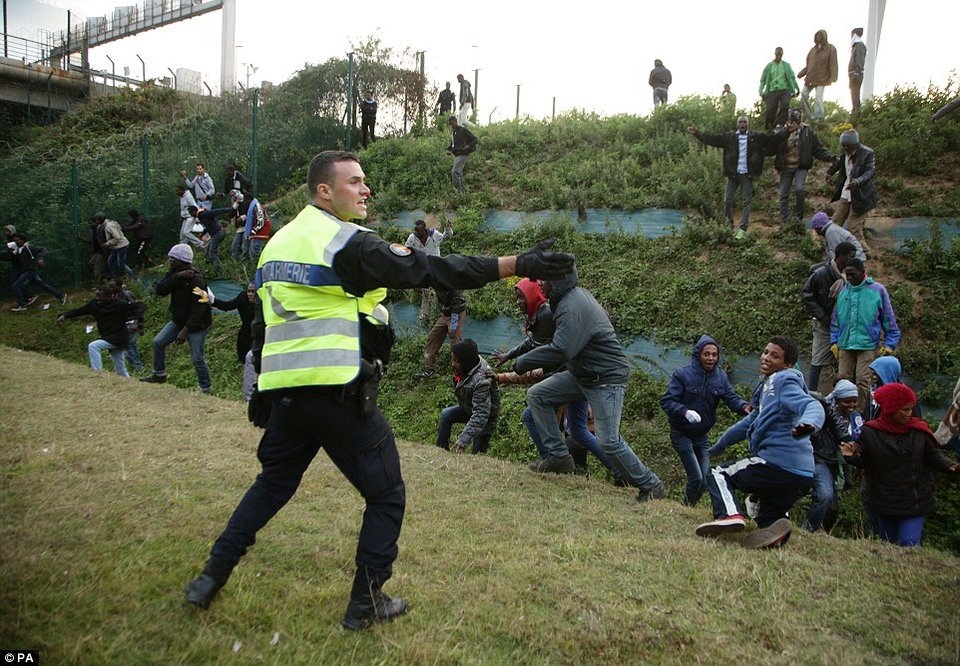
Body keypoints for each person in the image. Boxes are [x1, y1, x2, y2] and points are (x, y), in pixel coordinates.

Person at [183, 150, 574, 630]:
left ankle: (209, 578)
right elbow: (434, 270)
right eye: (355, 181)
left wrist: (266, 393)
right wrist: (518, 263)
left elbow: (266, 325)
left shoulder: (278, 244)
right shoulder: (345, 243)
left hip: (285, 392)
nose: (366, 189)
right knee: (386, 494)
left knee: (271, 486)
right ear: (324, 190)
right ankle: (365, 604)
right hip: (336, 391)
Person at [511, 266, 667, 502]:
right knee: (538, 395)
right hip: (582, 375)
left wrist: (523, 362)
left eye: (545, 277)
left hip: (606, 378)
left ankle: (651, 485)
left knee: (609, 441)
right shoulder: (565, 299)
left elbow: (562, 348)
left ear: (557, 278)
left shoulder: (571, 305)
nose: (540, 282)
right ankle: (559, 457)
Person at [699, 336, 825, 549]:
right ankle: (774, 532)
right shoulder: (768, 387)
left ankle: (729, 515)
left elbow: (812, 405)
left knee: (718, 473)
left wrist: (809, 424)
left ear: (787, 364)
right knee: (768, 514)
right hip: (802, 474)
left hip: (778, 462)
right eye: (766, 352)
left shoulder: (783, 380)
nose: (766, 358)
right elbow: (750, 422)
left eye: (774, 356)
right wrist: (719, 445)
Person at [841, 383, 960, 547]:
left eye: (910, 409)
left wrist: (951, 466)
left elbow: (932, 455)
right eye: (904, 409)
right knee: (888, 544)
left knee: (909, 542)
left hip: (914, 499)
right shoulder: (872, 432)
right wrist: (852, 456)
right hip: (885, 499)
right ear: (890, 408)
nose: (909, 414)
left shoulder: (919, 430)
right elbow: (866, 460)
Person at [660, 335, 751, 506]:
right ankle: (685, 508)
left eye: (714, 355)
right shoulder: (683, 375)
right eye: (706, 354)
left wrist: (745, 407)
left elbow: (731, 397)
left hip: (702, 436)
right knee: (696, 478)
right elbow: (667, 401)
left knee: (705, 478)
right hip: (681, 433)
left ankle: (687, 507)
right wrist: (685, 411)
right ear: (698, 355)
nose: (710, 358)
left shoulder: (720, 377)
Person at [687, 117, 783, 239]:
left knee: (746, 201)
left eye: (744, 122)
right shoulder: (729, 137)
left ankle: (743, 228)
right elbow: (712, 139)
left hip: (747, 175)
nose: (742, 124)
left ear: (748, 124)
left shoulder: (756, 137)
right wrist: (697, 133)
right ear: (737, 124)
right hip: (733, 174)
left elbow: (773, 139)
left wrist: (787, 131)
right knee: (727, 200)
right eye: (740, 122)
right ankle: (729, 225)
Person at [140, 243, 213, 394]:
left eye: (173, 258)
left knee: (197, 358)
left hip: (197, 324)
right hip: (178, 320)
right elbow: (161, 290)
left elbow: (201, 307)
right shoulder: (175, 274)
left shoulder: (196, 280)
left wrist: (186, 330)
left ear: (183, 260)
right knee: (158, 342)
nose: (170, 261)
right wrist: (176, 276)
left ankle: (206, 388)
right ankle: (159, 374)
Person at [830, 258, 900, 412]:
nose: (848, 278)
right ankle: (840, 414)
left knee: (863, 380)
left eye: (852, 274)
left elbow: (889, 320)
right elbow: (836, 319)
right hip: (845, 343)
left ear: (863, 273)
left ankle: (859, 413)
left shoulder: (877, 291)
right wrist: (834, 341)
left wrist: (889, 344)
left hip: (867, 344)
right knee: (842, 380)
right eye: (846, 274)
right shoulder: (844, 291)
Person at [802, 241, 858, 395]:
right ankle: (811, 394)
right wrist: (821, 316)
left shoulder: (852, 275)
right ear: (840, 257)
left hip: (845, 326)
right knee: (818, 359)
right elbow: (807, 295)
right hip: (824, 325)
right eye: (850, 257)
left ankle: (846, 395)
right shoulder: (821, 274)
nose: (852, 260)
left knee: (848, 362)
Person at [802, 379, 857, 532]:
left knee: (826, 496)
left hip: (819, 457)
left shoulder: (817, 400)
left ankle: (808, 531)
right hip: (792, 455)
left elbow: (836, 424)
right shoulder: (775, 398)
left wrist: (847, 440)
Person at [56, 286, 144, 377]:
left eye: (100, 296)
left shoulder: (118, 304)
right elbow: (79, 311)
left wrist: (136, 322)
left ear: (109, 296)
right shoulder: (95, 305)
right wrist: (64, 315)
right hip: (108, 336)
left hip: (119, 337)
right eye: (96, 296)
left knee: (94, 346)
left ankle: (98, 375)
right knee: (121, 369)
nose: (97, 298)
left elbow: (140, 305)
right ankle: (127, 383)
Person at [436, 339, 500, 455]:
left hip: (485, 418)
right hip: (468, 408)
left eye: (457, 361)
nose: (453, 364)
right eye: (453, 359)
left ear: (466, 362)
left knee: (477, 456)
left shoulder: (482, 379)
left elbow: (481, 414)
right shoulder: (468, 364)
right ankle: (441, 453)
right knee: (446, 414)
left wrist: (463, 439)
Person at [774, 109, 834, 226]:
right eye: (791, 121)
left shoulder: (808, 132)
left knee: (799, 189)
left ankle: (799, 217)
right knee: (783, 193)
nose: (793, 124)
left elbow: (818, 149)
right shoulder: (781, 131)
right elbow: (772, 144)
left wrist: (829, 157)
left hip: (800, 166)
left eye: (795, 121)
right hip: (785, 167)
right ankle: (784, 220)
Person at [827, 129, 877, 254]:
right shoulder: (845, 152)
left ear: (855, 145)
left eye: (848, 148)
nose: (846, 150)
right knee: (835, 223)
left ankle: (864, 252)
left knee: (854, 226)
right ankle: (834, 249)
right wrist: (830, 172)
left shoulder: (867, 153)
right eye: (844, 148)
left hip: (861, 194)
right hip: (846, 192)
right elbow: (840, 163)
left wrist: (858, 182)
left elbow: (870, 171)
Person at [405, 219, 454, 324]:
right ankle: (424, 314)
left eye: (419, 231)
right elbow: (407, 250)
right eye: (416, 231)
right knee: (425, 291)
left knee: (439, 290)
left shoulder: (433, 235)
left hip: (436, 267)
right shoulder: (413, 238)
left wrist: (448, 228)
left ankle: (444, 311)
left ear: (424, 229)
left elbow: (446, 236)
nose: (417, 234)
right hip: (423, 268)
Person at [413, 287, 466, 379]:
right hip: (445, 314)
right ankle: (429, 369)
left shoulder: (451, 283)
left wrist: (453, 326)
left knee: (455, 343)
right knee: (433, 337)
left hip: (456, 313)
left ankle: (460, 372)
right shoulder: (437, 279)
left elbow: (456, 304)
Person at [4, 233, 66, 311]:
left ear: (22, 241)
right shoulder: (19, 250)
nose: (15, 242)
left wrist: (41, 259)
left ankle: (23, 304)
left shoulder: (28, 248)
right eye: (15, 240)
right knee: (43, 285)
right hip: (29, 272)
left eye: (17, 240)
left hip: (29, 271)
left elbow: (43, 249)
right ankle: (60, 296)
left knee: (16, 285)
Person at [797, 29, 838, 121]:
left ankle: (818, 117)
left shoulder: (831, 48)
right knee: (803, 94)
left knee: (818, 98)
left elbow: (833, 64)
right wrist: (801, 73)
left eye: (820, 36)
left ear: (824, 37)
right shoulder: (812, 50)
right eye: (817, 36)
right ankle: (809, 115)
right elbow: (809, 65)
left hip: (822, 78)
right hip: (810, 78)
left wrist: (833, 77)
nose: (818, 38)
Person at [212, 282, 256, 364]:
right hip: (246, 334)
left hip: (260, 334)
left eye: (253, 292)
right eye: (249, 291)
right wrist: (211, 300)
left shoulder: (264, 302)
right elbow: (227, 305)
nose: (250, 294)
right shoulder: (242, 298)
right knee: (245, 359)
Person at [187, 205, 234, 276]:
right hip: (216, 234)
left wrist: (228, 209)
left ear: (193, 211)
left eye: (190, 213)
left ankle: (220, 271)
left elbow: (215, 212)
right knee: (207, 253)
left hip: (218, 233)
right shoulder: (201, 216)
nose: (191, 215)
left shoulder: (203, 214)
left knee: (212, 252)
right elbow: (208, 226)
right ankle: (210, 269)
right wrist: (202, 234)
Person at [758, 47, 799, 130]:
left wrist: (796, 88)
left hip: (784, 89)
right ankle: (769, 128)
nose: (778, 56)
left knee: (785, 105)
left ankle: (779, 124)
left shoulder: (786, 65)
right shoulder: (769, 66)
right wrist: (761, 91)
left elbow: (792, 78)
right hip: (772, 90)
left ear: (782, 55)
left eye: (780, 54)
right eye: (777, 54)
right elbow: (762, 80)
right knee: (770, 110)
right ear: (775, 54)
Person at [97, 213, 136, 281]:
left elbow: (117, 237)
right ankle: (114, 279)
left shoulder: (109, 226)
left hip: (121, 245)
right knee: (110, 261)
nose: (96, 221)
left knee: (121, 264)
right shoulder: (108, 224)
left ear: (100, 219)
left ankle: (133, 278)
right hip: (116, 247)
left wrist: (107, 243)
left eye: (97, 219)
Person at [3, 224, 34, 303]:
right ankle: (28, 296)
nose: (5, 232)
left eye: (7, 231)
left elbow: (12, 255)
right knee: (18, 282)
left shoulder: (14, 240)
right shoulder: (10, 240)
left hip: (19, 264)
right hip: (17, 263)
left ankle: (23, 300)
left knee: (15, 282)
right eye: (5, 231)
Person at [447, 116, 477, 193]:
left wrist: (468, 146)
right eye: (450, 124)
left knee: (455, 171)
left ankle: (458, 190)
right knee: (459, 172)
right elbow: (453, 145)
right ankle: (463, 191)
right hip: (457, 155)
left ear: (456, 122)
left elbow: (474, 139)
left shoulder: (462, 130)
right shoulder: (454, 133)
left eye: (452, 123)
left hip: (463, 154)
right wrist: (448, 150)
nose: (451, 126)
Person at [77, 216, 108, 286]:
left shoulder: (100, 229)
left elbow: (103, 240)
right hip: (97, 252)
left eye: (91, 223)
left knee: (97, 268)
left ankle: (98, 284)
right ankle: (103, 277)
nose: (90, 225)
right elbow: (92, 241)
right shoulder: (95, 230)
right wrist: (81, 238)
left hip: (102, 252)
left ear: (96, 222)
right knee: (91, 263)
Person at [240, 190, 269, 262]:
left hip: (260, 232)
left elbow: (261, 220)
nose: (245, 202)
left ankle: (259, 267)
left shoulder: (256, 206)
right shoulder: (253, 205)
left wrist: (254, 230)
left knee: (255, 251)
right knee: (252, 251)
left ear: (249, 199)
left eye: (246, 200)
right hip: (256, 232)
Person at [848, 28, 867, 117]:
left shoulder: (859, 45)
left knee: (855, 95)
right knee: (853, 95)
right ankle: (855, 112)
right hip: (852, 73)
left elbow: (860, 59)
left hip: (856, 74)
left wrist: (856, 72)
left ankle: (857, 115)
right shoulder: (856, 45)